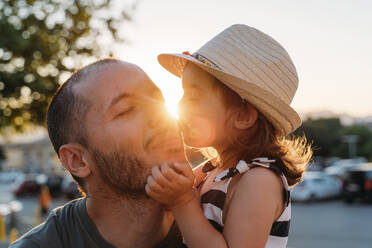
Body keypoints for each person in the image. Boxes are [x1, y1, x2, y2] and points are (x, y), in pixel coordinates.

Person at [145, 24, 313, 248]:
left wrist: (182, 201)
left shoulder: (258, 180)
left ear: (243, 116)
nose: (180, 104)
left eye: (194, 96)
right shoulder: (210, 171)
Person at [10, 58, 186, 248]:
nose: (162, 114)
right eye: (126, 110)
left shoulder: (216, 218)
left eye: (159, 100)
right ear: (78, 160)